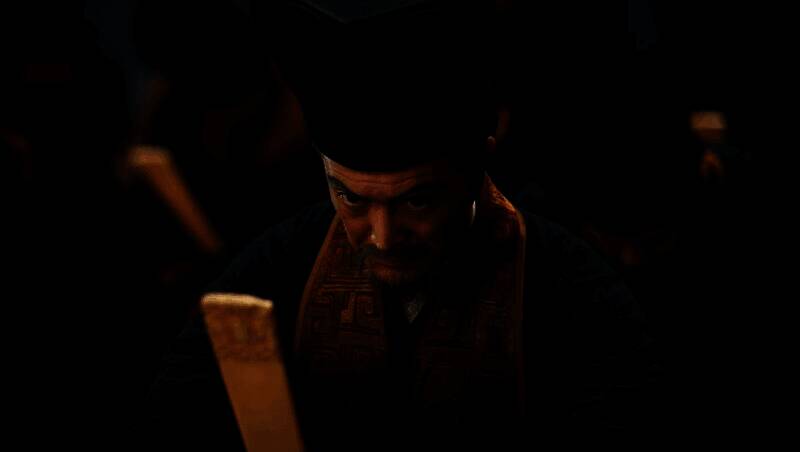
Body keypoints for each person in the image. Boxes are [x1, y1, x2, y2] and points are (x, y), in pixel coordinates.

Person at [147, 1, 657, 449]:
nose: (383, 236)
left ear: (476, 170)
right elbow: (178, 413)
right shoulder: (277, 266)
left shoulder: (573, 290)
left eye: (417, 201)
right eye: (351, 197)